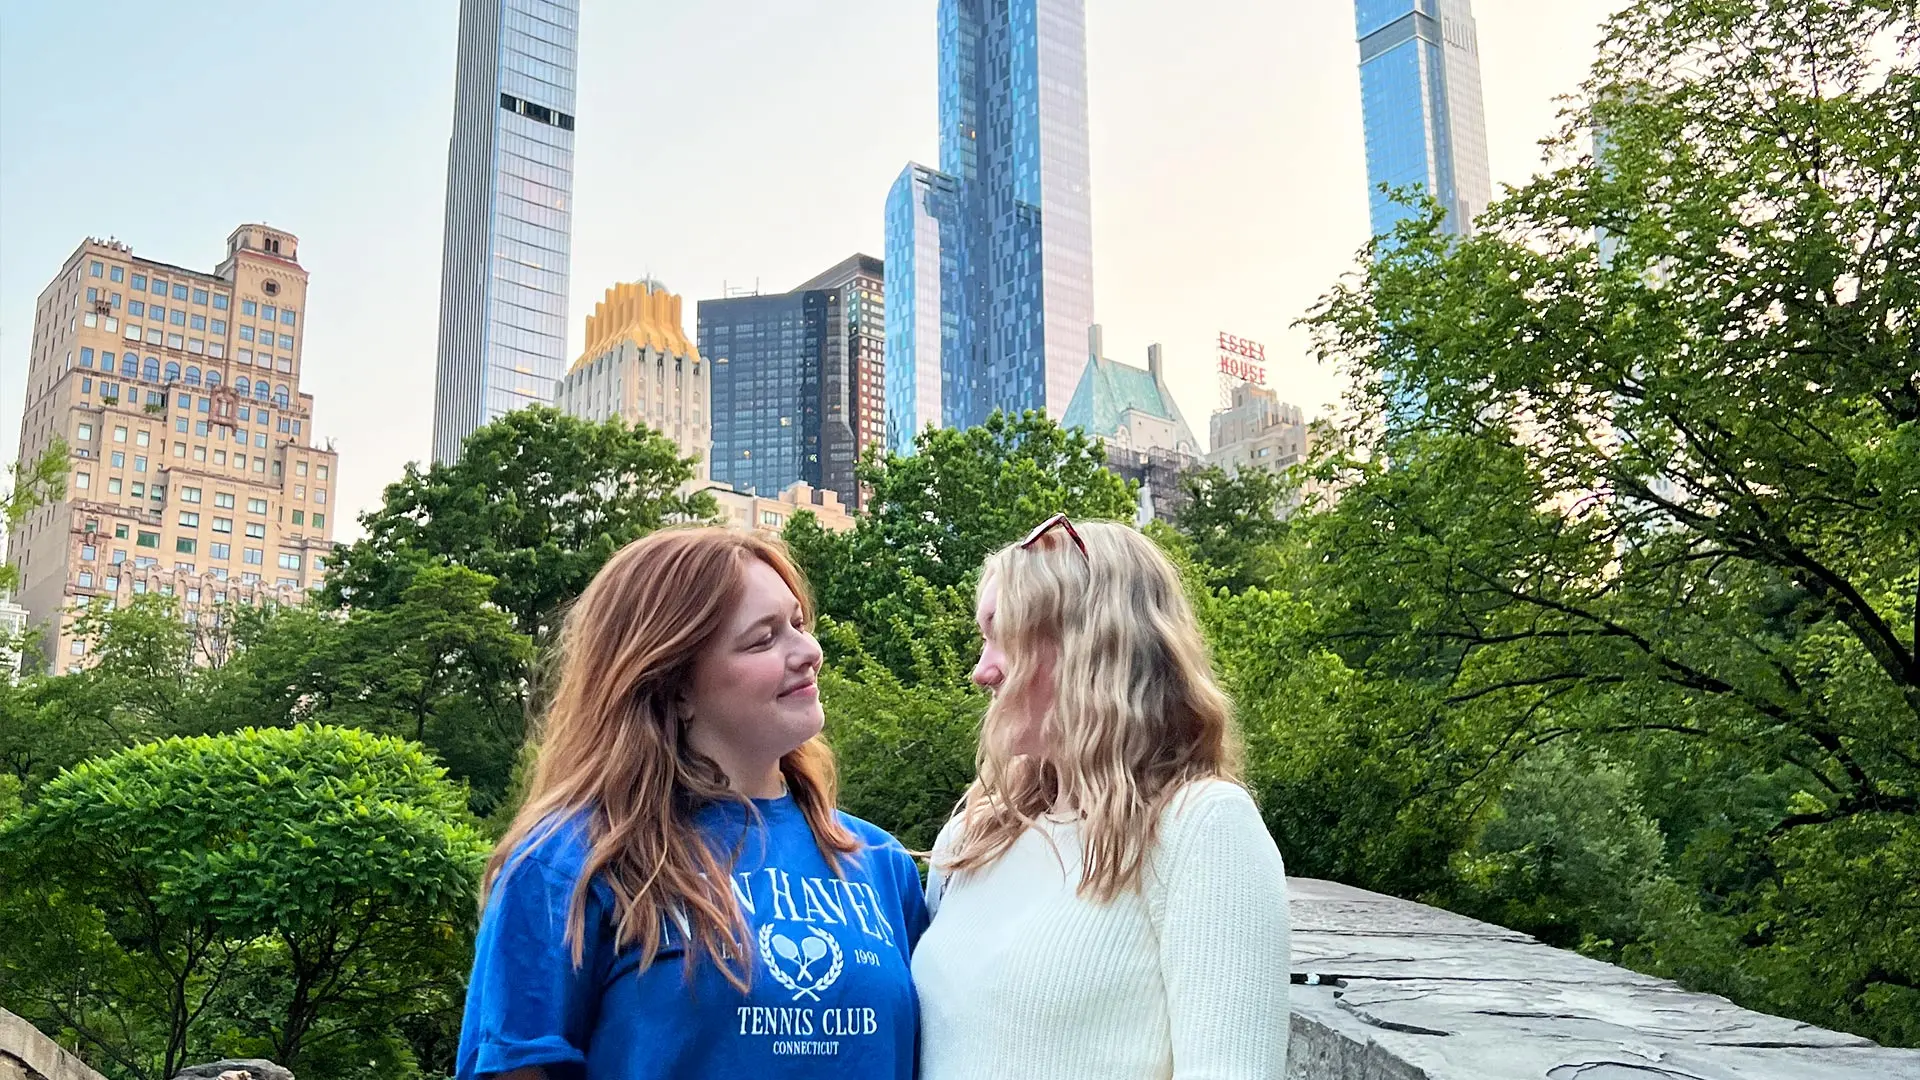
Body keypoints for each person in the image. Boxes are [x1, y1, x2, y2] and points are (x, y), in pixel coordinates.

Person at [457, 527, 928, 1080]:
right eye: (764, 638)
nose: (810, 652)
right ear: (674, 686)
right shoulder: (566, 865)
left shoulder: (880, 862)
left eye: (798, 624)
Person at [914, 514, 1291, 1079]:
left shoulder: (1202, 830)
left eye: (1003, 636)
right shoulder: (974, 835)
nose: (981, 671)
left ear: (1085, 645)